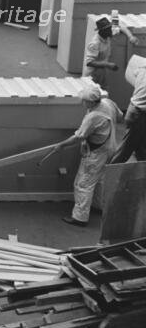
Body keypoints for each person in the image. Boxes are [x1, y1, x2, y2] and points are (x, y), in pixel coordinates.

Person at [43, 84, 122, 227]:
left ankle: (80, 217)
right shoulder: (108, 103)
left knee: (83, 184)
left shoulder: (93, 117)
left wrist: (61, 145)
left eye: (84, 101)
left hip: (97, 153)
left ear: (91, 102)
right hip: (111, 147)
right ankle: (98, 207)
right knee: (98, 181)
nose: (82, 103)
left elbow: (79, 137)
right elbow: (120, 117)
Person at [83, 16, 138, 87]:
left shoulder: (107, 34)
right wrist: (108, 64)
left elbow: (121, 27)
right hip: (92, 76)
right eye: (109, 29)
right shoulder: (95, 43)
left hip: (102, 72)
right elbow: (89, 62)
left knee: (103, 92)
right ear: (103, 31)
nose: (111, 30)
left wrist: (131, 37)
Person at [110, 66, 146, 164]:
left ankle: (142, 172)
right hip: (139, 115)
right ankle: (108, 173)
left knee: (141, 148)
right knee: (126, 149)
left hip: (134, 110)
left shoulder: (142, 69)